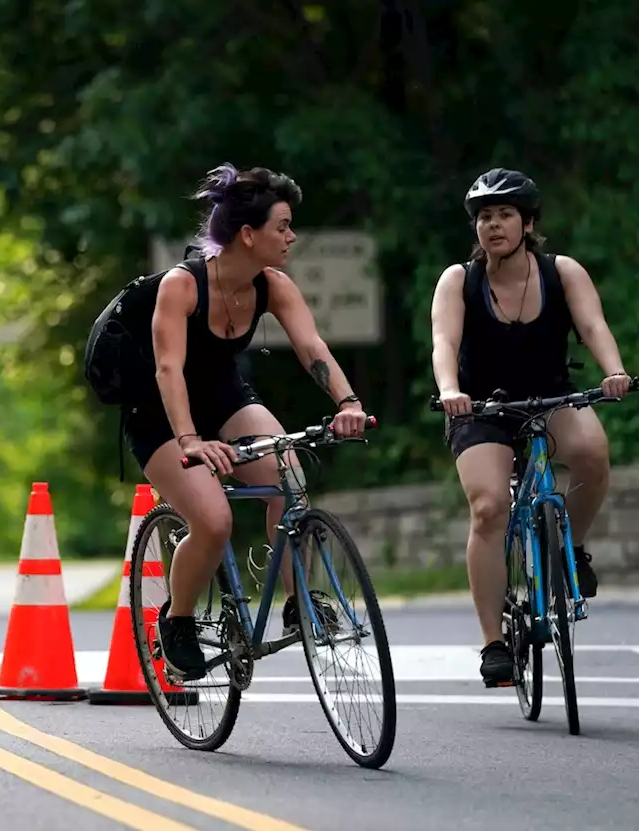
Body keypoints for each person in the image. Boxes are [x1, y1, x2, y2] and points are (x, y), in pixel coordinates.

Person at [134, 164, 370, 682]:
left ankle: (298, 600)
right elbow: (167, 368)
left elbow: (313, 348)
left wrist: (348, 402)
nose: (291, 236)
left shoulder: (274, 286)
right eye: (282, 226)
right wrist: (190, 440)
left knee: (288, 477)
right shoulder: (182, 286)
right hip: (160, 413)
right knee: (214, 520)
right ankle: (175, 622)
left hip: (225, 400)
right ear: (248, 234)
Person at [429, 167, 630, 687]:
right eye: (484, 217)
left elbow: (592, 326)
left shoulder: (561, 272)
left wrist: (614, 371)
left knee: (591, 454)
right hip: (482, 410)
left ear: (528, 223)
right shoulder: (460, 280)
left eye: (505, 215)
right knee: (489, 508)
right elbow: (444, 344)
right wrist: (451, 391)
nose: (493, 225)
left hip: (552, 397)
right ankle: (494, 644)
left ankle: (574, 549)